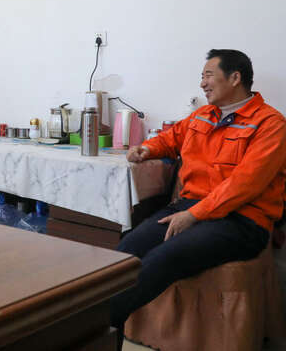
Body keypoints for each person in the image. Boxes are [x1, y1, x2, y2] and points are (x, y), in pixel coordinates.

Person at [110, 49, 286, 348]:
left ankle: (93, 327)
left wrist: (194, 215)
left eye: (208, 75)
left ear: (235, 77)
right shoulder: (202, 116)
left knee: (164, 258)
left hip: (243, 220)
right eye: (202, 77)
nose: (202, 83)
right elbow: (171, 138)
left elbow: (245, 185)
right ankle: (103, 332)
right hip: (191, 207)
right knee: (126, 251)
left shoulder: (270, 124)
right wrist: (147, 149)